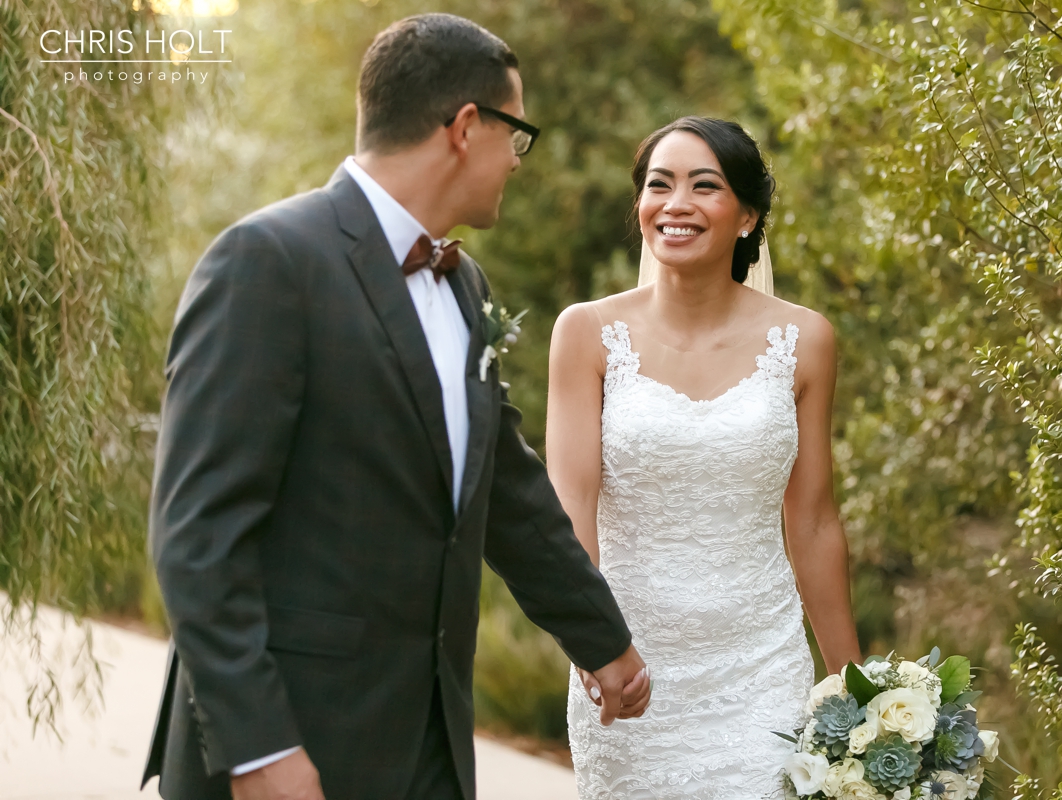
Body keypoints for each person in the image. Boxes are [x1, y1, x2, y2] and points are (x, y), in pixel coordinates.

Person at [141, 14, 649, 800]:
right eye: (516, 135)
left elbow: (505, 491)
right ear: (466, 127)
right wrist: (257, 748)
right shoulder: (268, 261)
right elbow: (196, 535)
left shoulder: (464, 284)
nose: (517, 161)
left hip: (430, 741)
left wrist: (602, 638)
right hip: (295, 744)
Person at [547, 116, 862, 799]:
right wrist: (591, 644)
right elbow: (570, 506)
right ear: (639, 208)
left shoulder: (806, 340)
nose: (676, 202)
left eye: (704, 185)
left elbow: (811, 524)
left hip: (762, 668)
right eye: (659, 184)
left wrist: (854, 690)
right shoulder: (585, 334)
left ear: (747, 215)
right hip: (629, 671)